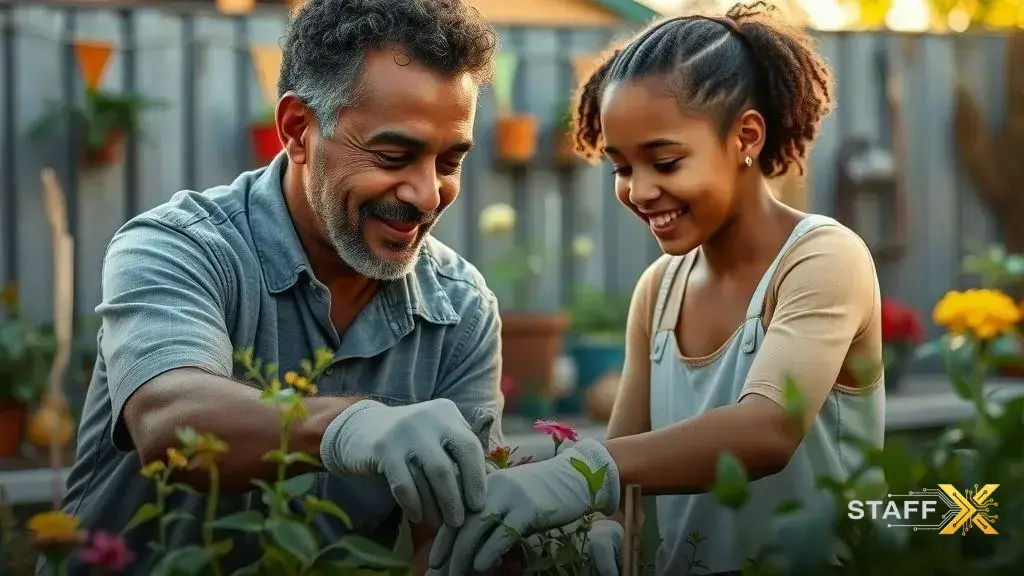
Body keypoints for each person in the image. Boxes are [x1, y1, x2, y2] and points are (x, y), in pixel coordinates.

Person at [47, 1, 520, 573]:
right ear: (297, 130)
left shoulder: (461, 308)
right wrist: (353, 426)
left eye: (449, 162)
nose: (426, 195)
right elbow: (167, 419)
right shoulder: (176, 247)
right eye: (395, 155)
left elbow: (449, 540)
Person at [427, 3, 885, 575]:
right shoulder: (659, 290)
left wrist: (574, 472)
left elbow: (767, 432)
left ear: (745, 136)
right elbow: (624, 468)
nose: (639, 191)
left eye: (665, 162)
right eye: (621, 167)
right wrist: (599, 527)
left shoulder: (821, 258)